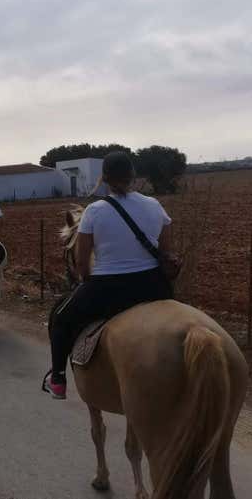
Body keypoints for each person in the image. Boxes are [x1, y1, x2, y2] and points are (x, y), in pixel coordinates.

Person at [44, 152, 174, 400]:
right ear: (133, 177)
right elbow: (166, 252)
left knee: (60, 318)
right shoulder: (155, 205)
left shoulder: (94, 211)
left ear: (104, 179)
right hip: (155, 287)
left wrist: (86, 284)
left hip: (108, 289)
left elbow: (82, 262)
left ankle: (58, 379)